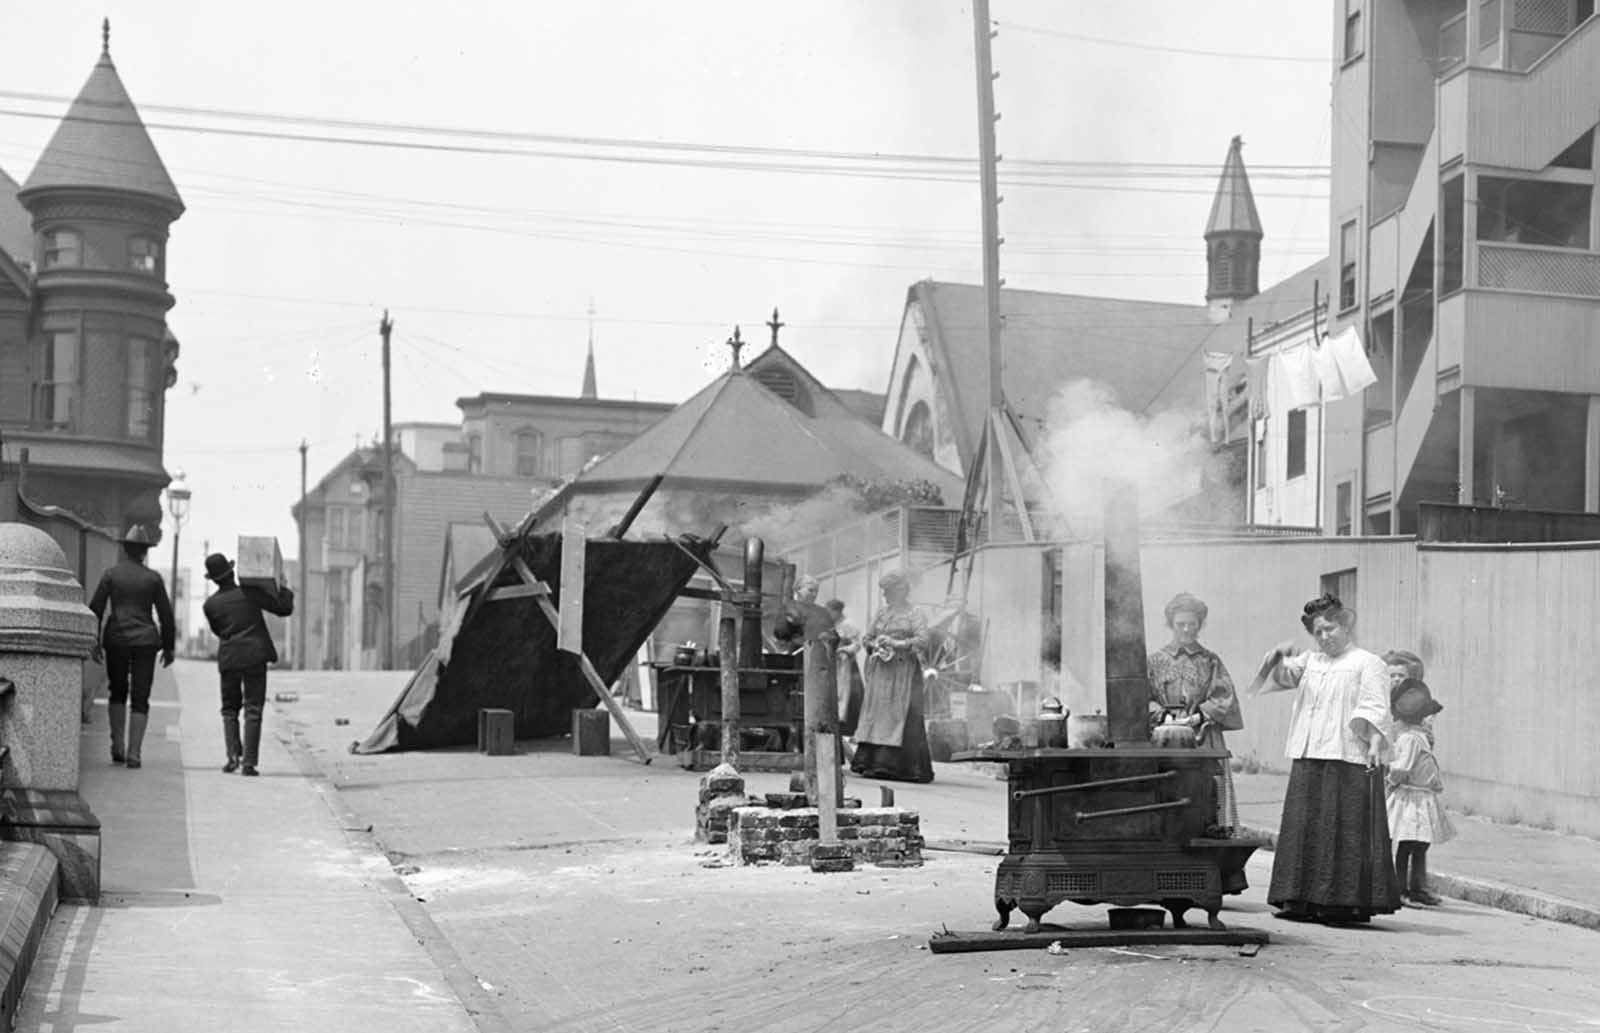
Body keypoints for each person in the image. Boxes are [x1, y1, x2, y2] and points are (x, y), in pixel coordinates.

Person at [1249, 593, 1402, 923]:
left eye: (1330, 629)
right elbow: (1278, 677)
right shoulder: (1311, 662)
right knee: (1305, 828)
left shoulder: (1367, 662)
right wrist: (1277, 656)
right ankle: (1299, 900)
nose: (1324, 637)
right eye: (1317, 632)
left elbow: (1376, 707)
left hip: (1348, 756)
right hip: (1309, 754)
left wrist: (1375, 743)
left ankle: (1341, 904)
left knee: (1342, 829)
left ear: (1345, 626)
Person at [1147, 592, 1243, 836]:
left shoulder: (1210, 660)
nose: (1187, 629)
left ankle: (1211, 832)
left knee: (1208, 789)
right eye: (1181, 624)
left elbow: (1224, 697)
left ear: (1200, 625)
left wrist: (1198, 716)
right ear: (1171, 624)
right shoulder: (1155, 660)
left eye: (1193, 624)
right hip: (1163, 735)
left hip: (1203, 734)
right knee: (1167, 786)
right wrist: (1163, 716)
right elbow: (1142, 697)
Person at [87, 524, 176, 769]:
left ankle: (117, 746)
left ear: (125, 550)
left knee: (117, 691)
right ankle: (135, 753)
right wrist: (168, 648)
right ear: (144, 552)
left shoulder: (111, 575)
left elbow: (95, 608)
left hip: (116, 639)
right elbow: (166, 616)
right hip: (146, 642)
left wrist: (93, 640)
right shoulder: (153, 578)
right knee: (140, 697)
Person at [200, 552, 294, 776]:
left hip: (230, 658)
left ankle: (232, 756)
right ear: (232, 572)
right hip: (255, 656)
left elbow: (219, 631)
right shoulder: (249, 593)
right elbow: (284, 609)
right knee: (253, 709)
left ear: (212, 579)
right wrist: (285, 587)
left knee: (230, 709)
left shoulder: (210, 605)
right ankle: (249, 763)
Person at [849, 570, 933, 783]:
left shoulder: (915, 613)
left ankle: (893, 765)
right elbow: (867, 637)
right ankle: (870, 761)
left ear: (901, 591)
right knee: (876, 713)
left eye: (888, 591)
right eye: (884, 591)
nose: (885, 595)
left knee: (898, 714)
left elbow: (923, 640)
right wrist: (873, 645)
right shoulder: (882, 613)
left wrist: (898, 644)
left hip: (903, 671)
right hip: (880, 670)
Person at [1387, 677, 1455, 907]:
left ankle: (1417, 887)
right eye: (1429, 715)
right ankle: (1400, 888)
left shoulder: (1420, 737)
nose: (1432, 719)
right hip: (1411, 798)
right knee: (1408, 844)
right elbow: (1401, 768)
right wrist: (1390, 782)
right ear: (1419, 717)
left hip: (1423, 796)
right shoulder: (1410, 739)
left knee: (1421, 844)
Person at [826, 599, 864, 736]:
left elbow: (857, 644)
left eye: (831, 611)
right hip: (832, 663)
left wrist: (845, 650)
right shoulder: (829, 624)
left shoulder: (848, 624)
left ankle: (845, 724)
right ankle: (832, 719)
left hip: (845, 664)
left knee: (846, 694)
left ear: (838, 611)